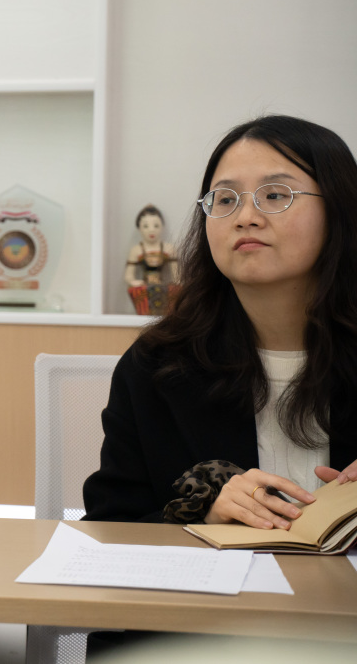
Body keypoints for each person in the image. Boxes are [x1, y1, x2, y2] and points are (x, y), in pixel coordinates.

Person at [86, 114, 357, 526]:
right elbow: (110, 524)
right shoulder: (157, 364)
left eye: (275, 194)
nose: (246, 216)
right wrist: (203, 519)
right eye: (226, 200)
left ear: (339, 208)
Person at [123, 204, 178, 315]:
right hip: (144, 287)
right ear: (139, 228)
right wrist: (134, 282)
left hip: (163, 286)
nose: (151, 230)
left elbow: (177, 275)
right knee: (136, 291)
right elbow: (128, 276)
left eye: (156, 226)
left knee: (175, 291)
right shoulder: (136, 250)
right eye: (146, 226)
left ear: (162, 227)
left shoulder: (169, 248)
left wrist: (177, 285)